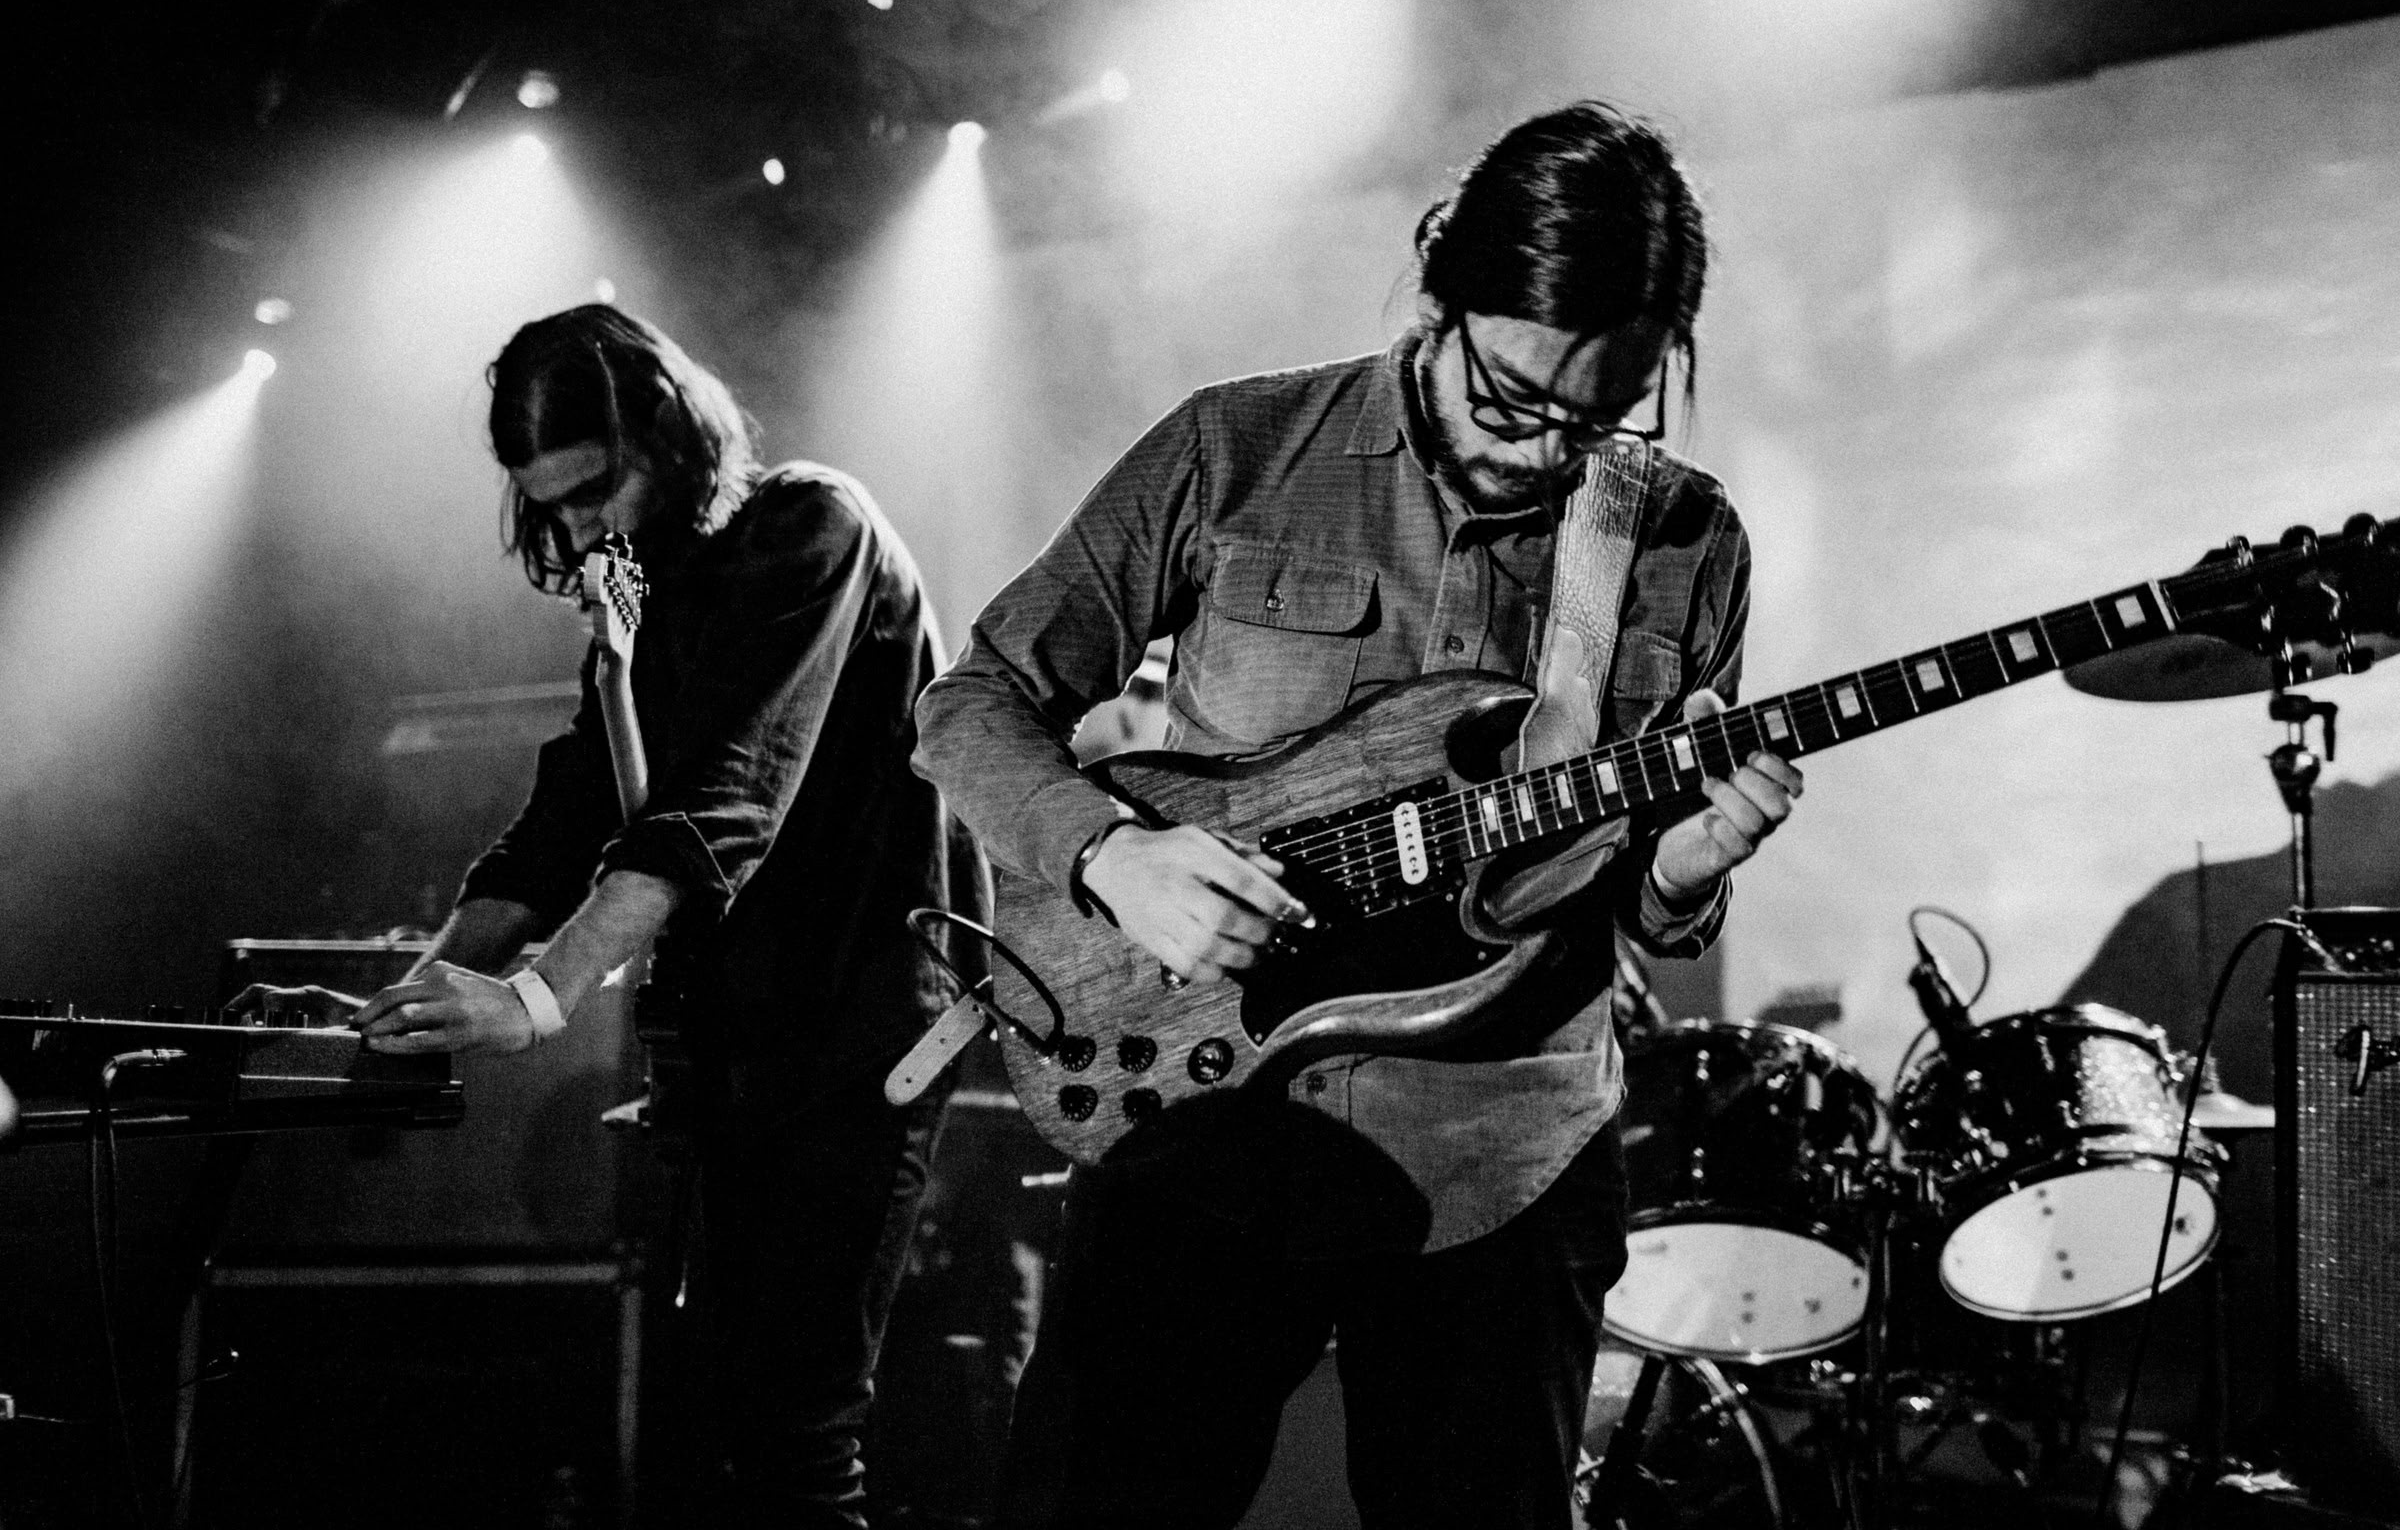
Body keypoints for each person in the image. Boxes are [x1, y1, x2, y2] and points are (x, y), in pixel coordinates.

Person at [912, 102, 1801, 1528]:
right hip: (1205, 1113)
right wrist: (1113, 853)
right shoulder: (1239, 448)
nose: (1544, 450)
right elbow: (974, 702)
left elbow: (1644, 902)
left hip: (1503, 1150)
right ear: (1442, 291)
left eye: (1599, 418)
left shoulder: (1685, 544)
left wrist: (1690, 864)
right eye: (1512, 396)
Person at [242, 304, 982, 1528]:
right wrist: (411, 998)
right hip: (734, 1053)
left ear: (670, 434)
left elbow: (719, 806)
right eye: (550, 504)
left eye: (594, 489)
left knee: (800, 1438)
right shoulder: (642, 597)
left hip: (863, 1037)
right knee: (710, 1431)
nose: (578, 526)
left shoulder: (812, 526)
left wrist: (535, 998)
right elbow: (561, 824)